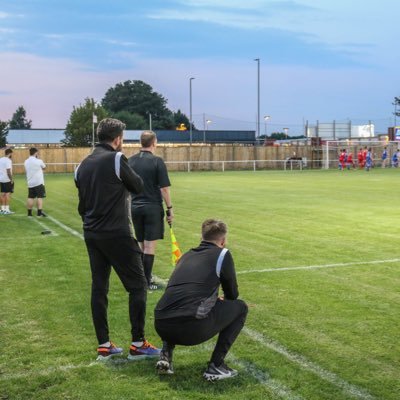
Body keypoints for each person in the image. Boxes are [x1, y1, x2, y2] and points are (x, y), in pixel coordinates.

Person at [74, 118, 160, 361]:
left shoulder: (81, 165)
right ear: (117, 139)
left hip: (92, 233)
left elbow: (82, 206)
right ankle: (138, 343)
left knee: (99, 288)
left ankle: (104, 345)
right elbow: (138, 185)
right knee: (138, 286)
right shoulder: (115, 158)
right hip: (117, 233)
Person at [154, 219, 248, 381]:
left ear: (202, 236)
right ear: (223, 240)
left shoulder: (186, 256)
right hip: (191, 330)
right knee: (241, 307)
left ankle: (166, 354)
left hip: (161, 324)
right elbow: (232, 295)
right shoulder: (223, 254)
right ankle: (216, 366)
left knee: (178, 303)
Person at [128, 131, 173, 290]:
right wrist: (170, 209)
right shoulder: (157, 161)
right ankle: (146, 282)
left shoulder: (130, 161)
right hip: (152, 208)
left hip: (134, 208)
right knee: (149, 247)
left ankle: (142, 278)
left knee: (141, 246)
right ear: (154, 142)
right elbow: (164, 189)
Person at [24, 147, 47, 217]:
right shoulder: (39, 161)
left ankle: (29, 213)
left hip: (30, 182)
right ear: (36, 153)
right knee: (40, 197)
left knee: (30, 197)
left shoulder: (26, 161)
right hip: (38, 182)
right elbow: (44, 167)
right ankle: (39, 213)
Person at [0, 148, 15, 215]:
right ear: (10, 153)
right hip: (7, 179)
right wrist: (11, 179)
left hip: (1, 179)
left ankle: (2, 209)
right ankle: (7, 210)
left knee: (2, 194)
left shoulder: (1, 159)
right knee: (7, 194)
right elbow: (8, 171)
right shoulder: (8, 160)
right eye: (12, 153)